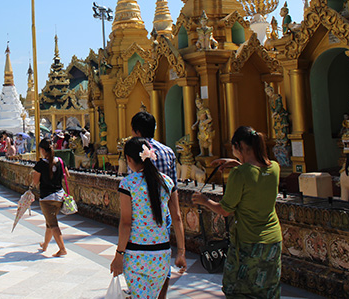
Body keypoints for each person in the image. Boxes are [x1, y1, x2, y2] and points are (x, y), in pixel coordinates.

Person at [192, 126, 282, 298]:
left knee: (239, 290)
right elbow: (256, 175)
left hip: (248, 242)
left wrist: (204, 200)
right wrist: (238, 163)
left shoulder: (239, 174)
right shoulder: (275, 168)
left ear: (239, 146)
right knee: (267, 290)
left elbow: (225, 210)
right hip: (273, 240)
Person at [110, 138, 187, 298]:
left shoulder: (128, 184)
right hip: (161, 255)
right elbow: (177, 218)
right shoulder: (167, 182)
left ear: (129, 159)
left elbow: (125, 223)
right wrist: (181, 251)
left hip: (136, 255)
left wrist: (119, 255)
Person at [130, 111, 184, 298]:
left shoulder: (134, 151)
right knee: (162, 258)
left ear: (136, 131)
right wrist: (182, 250)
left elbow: (131, 188)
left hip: (139, 220)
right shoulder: (168, 152)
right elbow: (173, 191)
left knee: (139, 261)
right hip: (164, 217)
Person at [31, 138, 68, 257]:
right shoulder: (60, 161)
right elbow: (67, 174)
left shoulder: (41, 164)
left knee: (53, 224)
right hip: (59, 196)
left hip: (47, 198)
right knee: (49, 222)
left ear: (42, 150)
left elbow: (35, 182)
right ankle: (45, 245)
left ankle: (62, 249)